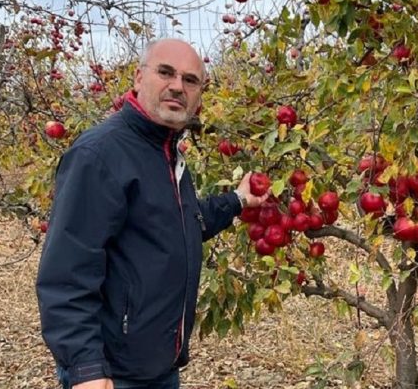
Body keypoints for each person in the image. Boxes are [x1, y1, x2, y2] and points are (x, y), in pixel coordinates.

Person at [36, 38, 267, 389]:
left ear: (200, 94)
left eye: (191, 80)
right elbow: (66, 272)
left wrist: (237, 200)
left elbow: (179, 223)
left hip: (157, 366)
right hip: (114, 374)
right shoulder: (100, 155)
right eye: (166, 73)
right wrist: (85, 368)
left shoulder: (166, 150)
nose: (177, 86)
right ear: (138, 78)